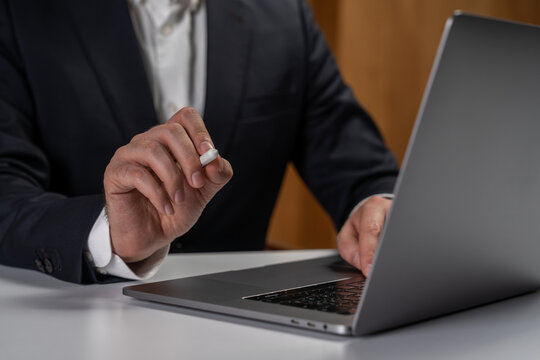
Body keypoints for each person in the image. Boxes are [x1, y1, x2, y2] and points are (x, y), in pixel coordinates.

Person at [0, 0, 398, 284]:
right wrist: (106, 235)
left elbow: (365, 172)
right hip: (70, 320)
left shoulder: (286, 15)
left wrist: (379, 210)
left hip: (245, 331)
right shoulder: (19, 13)